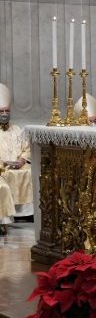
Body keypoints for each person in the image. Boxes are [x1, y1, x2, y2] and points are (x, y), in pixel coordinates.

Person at [0, 84, 29, 225]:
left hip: (19, 164)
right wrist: (4, 163)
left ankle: (26, 214)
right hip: (3, 167)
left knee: (30, 173)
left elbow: (27, 148)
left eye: (7, 111)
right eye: (1, 111)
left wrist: (22, 159)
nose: (5, 114)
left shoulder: (17, 129)